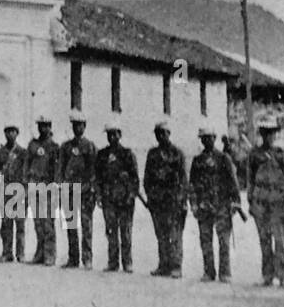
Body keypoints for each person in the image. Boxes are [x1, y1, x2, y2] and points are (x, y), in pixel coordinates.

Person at [189, 127, 241, 283]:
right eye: (203, 138)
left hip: (221, 204)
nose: (206, 140)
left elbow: (233, 182)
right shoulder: (197, 160)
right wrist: (194, 204)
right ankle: (208, 272)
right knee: (205, 240)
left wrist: (236, 202)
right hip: (204, 205)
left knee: (223, 241)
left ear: (214, 138)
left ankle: (225, 273)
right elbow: (192, 184)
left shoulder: (223, 158)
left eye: (209, 137)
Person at [247, 116, 284, 287]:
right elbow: (250, 179)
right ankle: (267, 275)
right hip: (261, 203)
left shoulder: (281, 155)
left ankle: (282, 275)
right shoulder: (255, 154)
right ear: (261, 135)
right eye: (266, 133)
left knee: (280, 241)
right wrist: (251, 201)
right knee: (264, 240)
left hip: (278, 204)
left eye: (272, 133)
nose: (269, 137)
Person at [144, 120, 188, 278]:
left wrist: (181, 200)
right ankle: (163, 264)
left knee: (174, 234)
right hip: (157, 200)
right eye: (158, 133)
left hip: (173, 200)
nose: (161, 136)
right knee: (161, 234)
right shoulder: (153, 154)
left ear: (169, 134)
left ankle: (176, 266)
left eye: (164, 133)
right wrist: (150, 196)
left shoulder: (177, 153)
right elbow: (147, 178)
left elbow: (183, 180)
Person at [94, 122, 138, 273]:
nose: (112, 137)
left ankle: (127, 263)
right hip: (109, 198)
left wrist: (131, 196)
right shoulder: (102, 155)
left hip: (125, 199)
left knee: (125, 232)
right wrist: (99, 195)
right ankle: (113, 262)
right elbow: (97, 177)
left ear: (120, 135)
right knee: (111, 231)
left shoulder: (127, 154)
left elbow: (135, 179)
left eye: (114, 134)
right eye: (109, 134)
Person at [58, 111, 98, 269]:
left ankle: (87, 259)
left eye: (80, 125)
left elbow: (94, 170)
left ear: (85, 127)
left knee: (87, 225)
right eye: (75, 125)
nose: (77, 128)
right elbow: (61, 168)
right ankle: (73, 258)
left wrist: (90, 187)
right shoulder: (66, 147)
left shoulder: (89, 146)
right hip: (69, 190)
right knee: (71, 225)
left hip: (85, 190)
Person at [25, 116, 59, 266]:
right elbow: (26, 165)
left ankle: (50, 254)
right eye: (41, 126)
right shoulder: (32, 145)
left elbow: (57, 170)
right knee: (37, 223)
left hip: (48, 186)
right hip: (34, 186)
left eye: (46, 126)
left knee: (48, 222)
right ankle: (40, 253)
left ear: (50, 127)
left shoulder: (54, 147)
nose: (43, 129)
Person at [0, 124, 26, 262]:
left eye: (13, 132)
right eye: (8, 132)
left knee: (20, 224)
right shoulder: (0, 152)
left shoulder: (23, 152)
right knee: (6, 224)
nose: (11, 134)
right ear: (5, 134)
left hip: (19, 190)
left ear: (17, 134)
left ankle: (20, 253)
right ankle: (6, 252)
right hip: (5, 190)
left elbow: (25, 172)